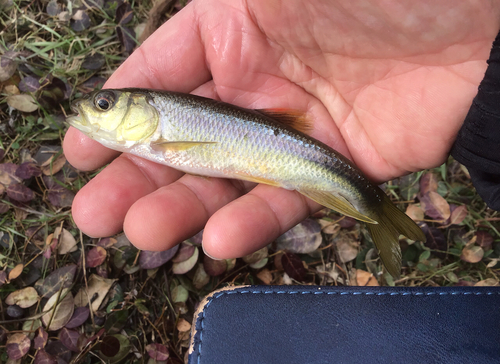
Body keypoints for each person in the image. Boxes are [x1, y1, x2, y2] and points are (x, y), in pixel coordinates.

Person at [63, 1, 500, 260]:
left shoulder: (163, 132)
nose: (97, 107)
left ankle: (379, 215)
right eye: (105, 102)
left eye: (105, 104)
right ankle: (381, 216)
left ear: (145, 110)